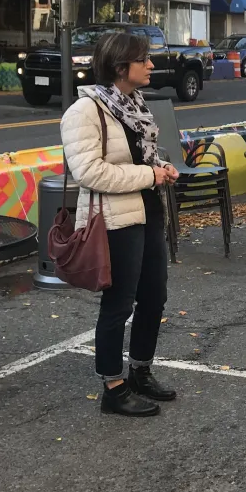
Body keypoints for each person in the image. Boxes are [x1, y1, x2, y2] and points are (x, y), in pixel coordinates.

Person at [61, 31, 180, 417]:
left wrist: (159, 168)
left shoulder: (133, 103)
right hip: (115, 220)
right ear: (118, 66)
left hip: (147, 210)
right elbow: (88, 171)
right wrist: (149, 177)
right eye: (142, 59)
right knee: (119, 304)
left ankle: (141, 371)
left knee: (155, 296)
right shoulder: (85, 111)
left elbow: (138, 158)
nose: (150, 65)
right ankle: (113, 387)